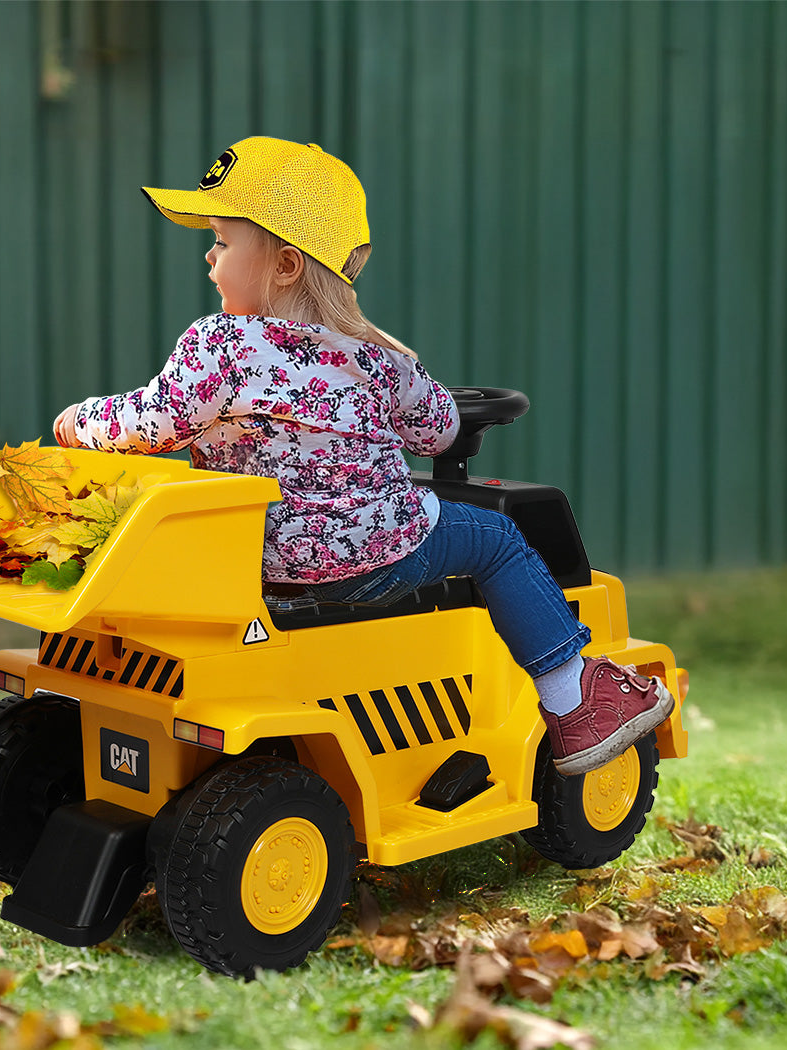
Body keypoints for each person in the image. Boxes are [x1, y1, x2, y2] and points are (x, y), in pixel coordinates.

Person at [53, 136, 673, 777]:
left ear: (285, 265)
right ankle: (574, 701)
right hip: (379, 556)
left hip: (254, 559)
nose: (209, 257)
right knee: (498, 538)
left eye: (222, 240)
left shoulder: (219, 345)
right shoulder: (378, 356)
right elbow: (437, 431)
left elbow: (150, 423)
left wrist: (79, 421)